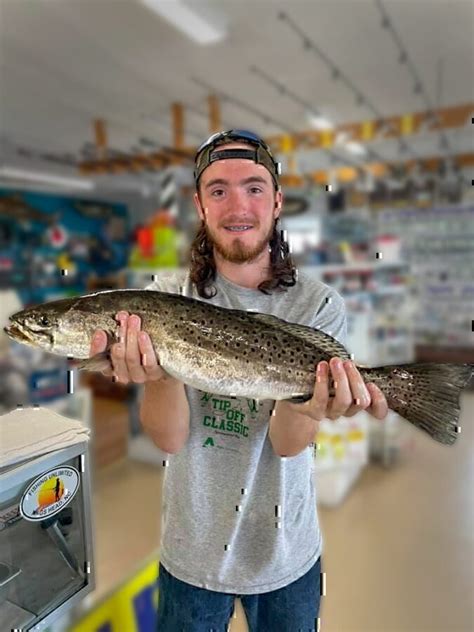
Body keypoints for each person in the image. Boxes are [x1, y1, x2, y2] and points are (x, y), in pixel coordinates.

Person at [90, 130, 388, 632]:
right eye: (218, 190)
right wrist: (158, 375)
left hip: (286, 553)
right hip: (190, 551)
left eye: (253, 187)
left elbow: (288, 446)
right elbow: (168, 439)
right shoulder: (164, 298)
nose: (237, 206)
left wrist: (308, 405)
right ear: (200, 205)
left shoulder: (317, 306)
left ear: (277, 201)